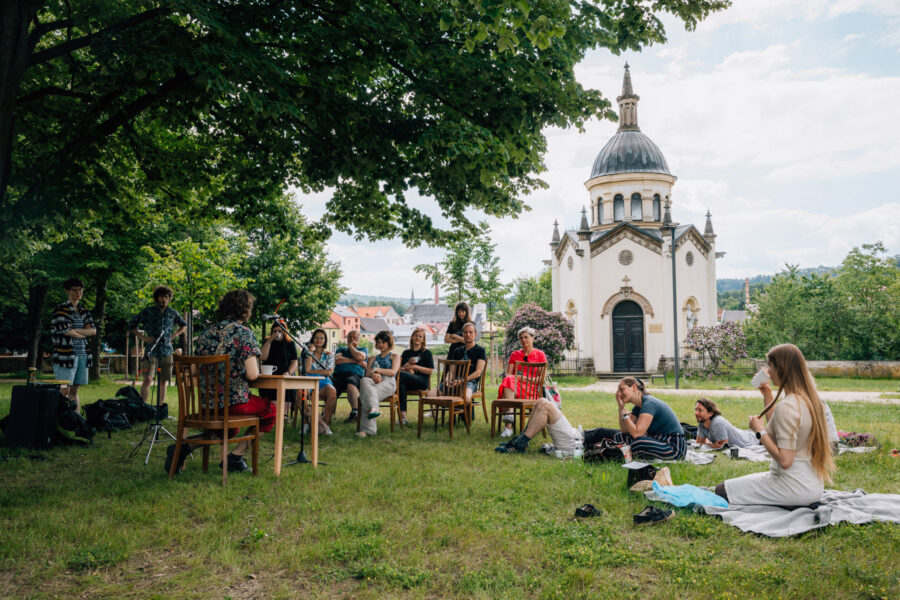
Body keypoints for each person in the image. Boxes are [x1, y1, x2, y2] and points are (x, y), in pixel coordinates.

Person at [168, 289, 276, 474]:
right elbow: (252, 375)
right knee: (271, 411)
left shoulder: (206, 333)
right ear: (246, 309)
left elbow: (195, 370)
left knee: (229, 428)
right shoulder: (244, 334)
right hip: (233, 403)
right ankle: (236, 456)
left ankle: (186, 447)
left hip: (207, 404)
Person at [716, 344, 835, 506]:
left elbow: (785, 461)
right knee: (731, 486)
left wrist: (759, 431)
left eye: (770, 366)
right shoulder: (810, 401)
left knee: (722, 490)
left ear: (782, 369)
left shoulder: (788, 406)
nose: (768, 372)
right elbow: (783, 430)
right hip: (812, 487)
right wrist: (767, 394)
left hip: (791, 488)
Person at [579, 377, 686, 460]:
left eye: (622, 390)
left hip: (673, 447)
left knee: (638, 443)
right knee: (619, 436)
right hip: (658, 440)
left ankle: (613, 454)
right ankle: (600, 451)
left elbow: (637, 433)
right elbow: (625, 430)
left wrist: (626, 416)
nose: (619, 394)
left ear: (634, 387)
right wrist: (621, 408)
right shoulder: (638, 406)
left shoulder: (649, 404)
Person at [128, 285, 187, 405]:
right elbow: (131, 324)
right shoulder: (148, 311)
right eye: (161, 297)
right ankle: (143, 406)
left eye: (166, 297)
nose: (163, 300)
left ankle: (159, 408)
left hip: (166, 350)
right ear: (157, 298)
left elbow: (184, 325)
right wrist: (142, 337)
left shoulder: (172, 313)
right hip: (151, 350)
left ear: (169, 298)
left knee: (163, 381)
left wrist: (175, 335)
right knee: (147, 379)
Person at [50, 277, 96, 411]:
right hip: (65, 356)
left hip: (82, 354)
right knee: (64, 390)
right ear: (67, 291)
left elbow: (93, 331)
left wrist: (75, 331)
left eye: (80, 290)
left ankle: (74, 420)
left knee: (74, 390)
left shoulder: (83, 310)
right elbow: (67, 332)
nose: (78, 293)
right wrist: (82, 332)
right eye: (74, 290)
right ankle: (58, 420)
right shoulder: (61, 310)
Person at [498, 326, 547, 438]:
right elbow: (509, 374)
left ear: (533, 338)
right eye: (521, 338)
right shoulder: (515, 354)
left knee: (509, 383)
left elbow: (541, 380)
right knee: (508, 379)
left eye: (526, 337)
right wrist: (517, 378)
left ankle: (508, 425)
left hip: (531, 390)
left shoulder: (540, 354)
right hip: (515, 387)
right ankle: (509, 419)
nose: (523, 340)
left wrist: (523, 378)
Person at [495, 396, 582, 455]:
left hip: (576, 444)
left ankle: (519, 444)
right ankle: (521, 440)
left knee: (546, 407)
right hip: (577, 435)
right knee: (541, 401)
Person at [357, 330, 400, 438]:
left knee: (367, 395)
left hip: (388, 382)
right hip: (373, 381)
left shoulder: (394, 356)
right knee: (363, 381)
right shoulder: (372, 358)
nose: (380, 345)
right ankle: (374, 409)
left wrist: (377, 370)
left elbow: (393, 372)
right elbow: (366, 375)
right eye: (379, 342)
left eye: (383, 342)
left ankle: (367, 430)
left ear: (389, 343)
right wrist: (373, 375)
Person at [434, 321, 485, 405]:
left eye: (470, 332)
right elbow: (451, 371)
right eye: (465, 332)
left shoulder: (480, 350)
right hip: (455, 381)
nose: (468, 334)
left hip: (470, 382)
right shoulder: (457, 351)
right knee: (430, 394)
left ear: (475, 335)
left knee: (466, 396)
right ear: (463, 335)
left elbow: (478, 373)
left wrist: (463, 381)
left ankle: (463, 415)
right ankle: (440, 415)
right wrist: (447, 379)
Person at [259, 320, 299, 418]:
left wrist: (289, 372)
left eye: (280, 331)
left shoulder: (290, 343)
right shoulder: (267, 341)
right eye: (275, 331)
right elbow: (262, 357)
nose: (277, 333)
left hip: (285, 373)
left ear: (284, 332)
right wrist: (269, 340)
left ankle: (284, 414)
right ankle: (274, 414)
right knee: (271, 390)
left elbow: (294, 362)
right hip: (270, 375)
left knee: (289, 388)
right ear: (271, 332)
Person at [303, 328, 337, 435]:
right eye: (316, 337)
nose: (319, 340)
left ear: (325, 341)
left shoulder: (329, 355)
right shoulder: (306, 353)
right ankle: (305, 423)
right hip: (307, 381)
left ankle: (326, 424)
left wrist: (315, 371)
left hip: (323, 381)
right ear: (313, 339)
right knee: (300, 393)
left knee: (332, 392)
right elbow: (307, 370)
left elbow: (329, 372)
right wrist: (310, 352)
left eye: (321, 338)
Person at [397, 327, 434, 426]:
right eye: (416, 335)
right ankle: (403, 417)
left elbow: (430, 371)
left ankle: (402, 417)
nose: (417, 338)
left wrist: (415, 366)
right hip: (407, 380)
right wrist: (407, 364)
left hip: (421, 381)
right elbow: (399, 369)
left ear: (423, 340)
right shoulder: (406, 353)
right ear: (412, 337)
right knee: (400, 386)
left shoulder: (427, 353)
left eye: (420, 336)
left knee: (400, 377)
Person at [332, 330, 368, 422]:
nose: (352, 339)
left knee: (351, 385)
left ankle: (355, 414)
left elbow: (360, 357)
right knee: (330, 387)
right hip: (338, 375)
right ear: (347, 338)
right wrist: (355, 361)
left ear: (358, 340)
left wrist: (351, 347)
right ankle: (328, 414)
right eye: (350, 337)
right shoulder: (341, 349)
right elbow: (337, 360)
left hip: (354, 375)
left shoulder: (363, 349)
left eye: (354, 337)